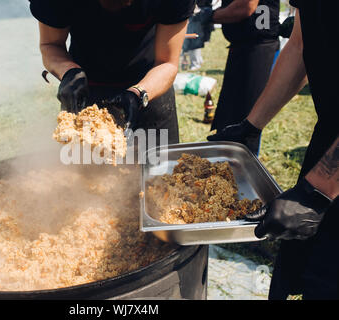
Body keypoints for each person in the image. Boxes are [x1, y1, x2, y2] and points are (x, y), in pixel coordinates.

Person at [208, 1, 339, 299]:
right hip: (327, 142)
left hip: (330, 175)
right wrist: (252, 125)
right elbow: (299, 45)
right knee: (297, 274)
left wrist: (318, 189)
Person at [30, 0, 196, 146]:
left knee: (159, 178)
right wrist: (69, 72)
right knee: (80, 178)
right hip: (84, 92)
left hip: (150, 88)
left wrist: (138, 94)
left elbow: (167, 62)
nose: (127, 4)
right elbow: (51, 44)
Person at [198, 0, 280, 154]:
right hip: (243, 45)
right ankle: (227, 163)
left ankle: (243, 168)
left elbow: (244, 7)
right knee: (229, 121)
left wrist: (208, 15)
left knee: (246, 123)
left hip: (259, 46)